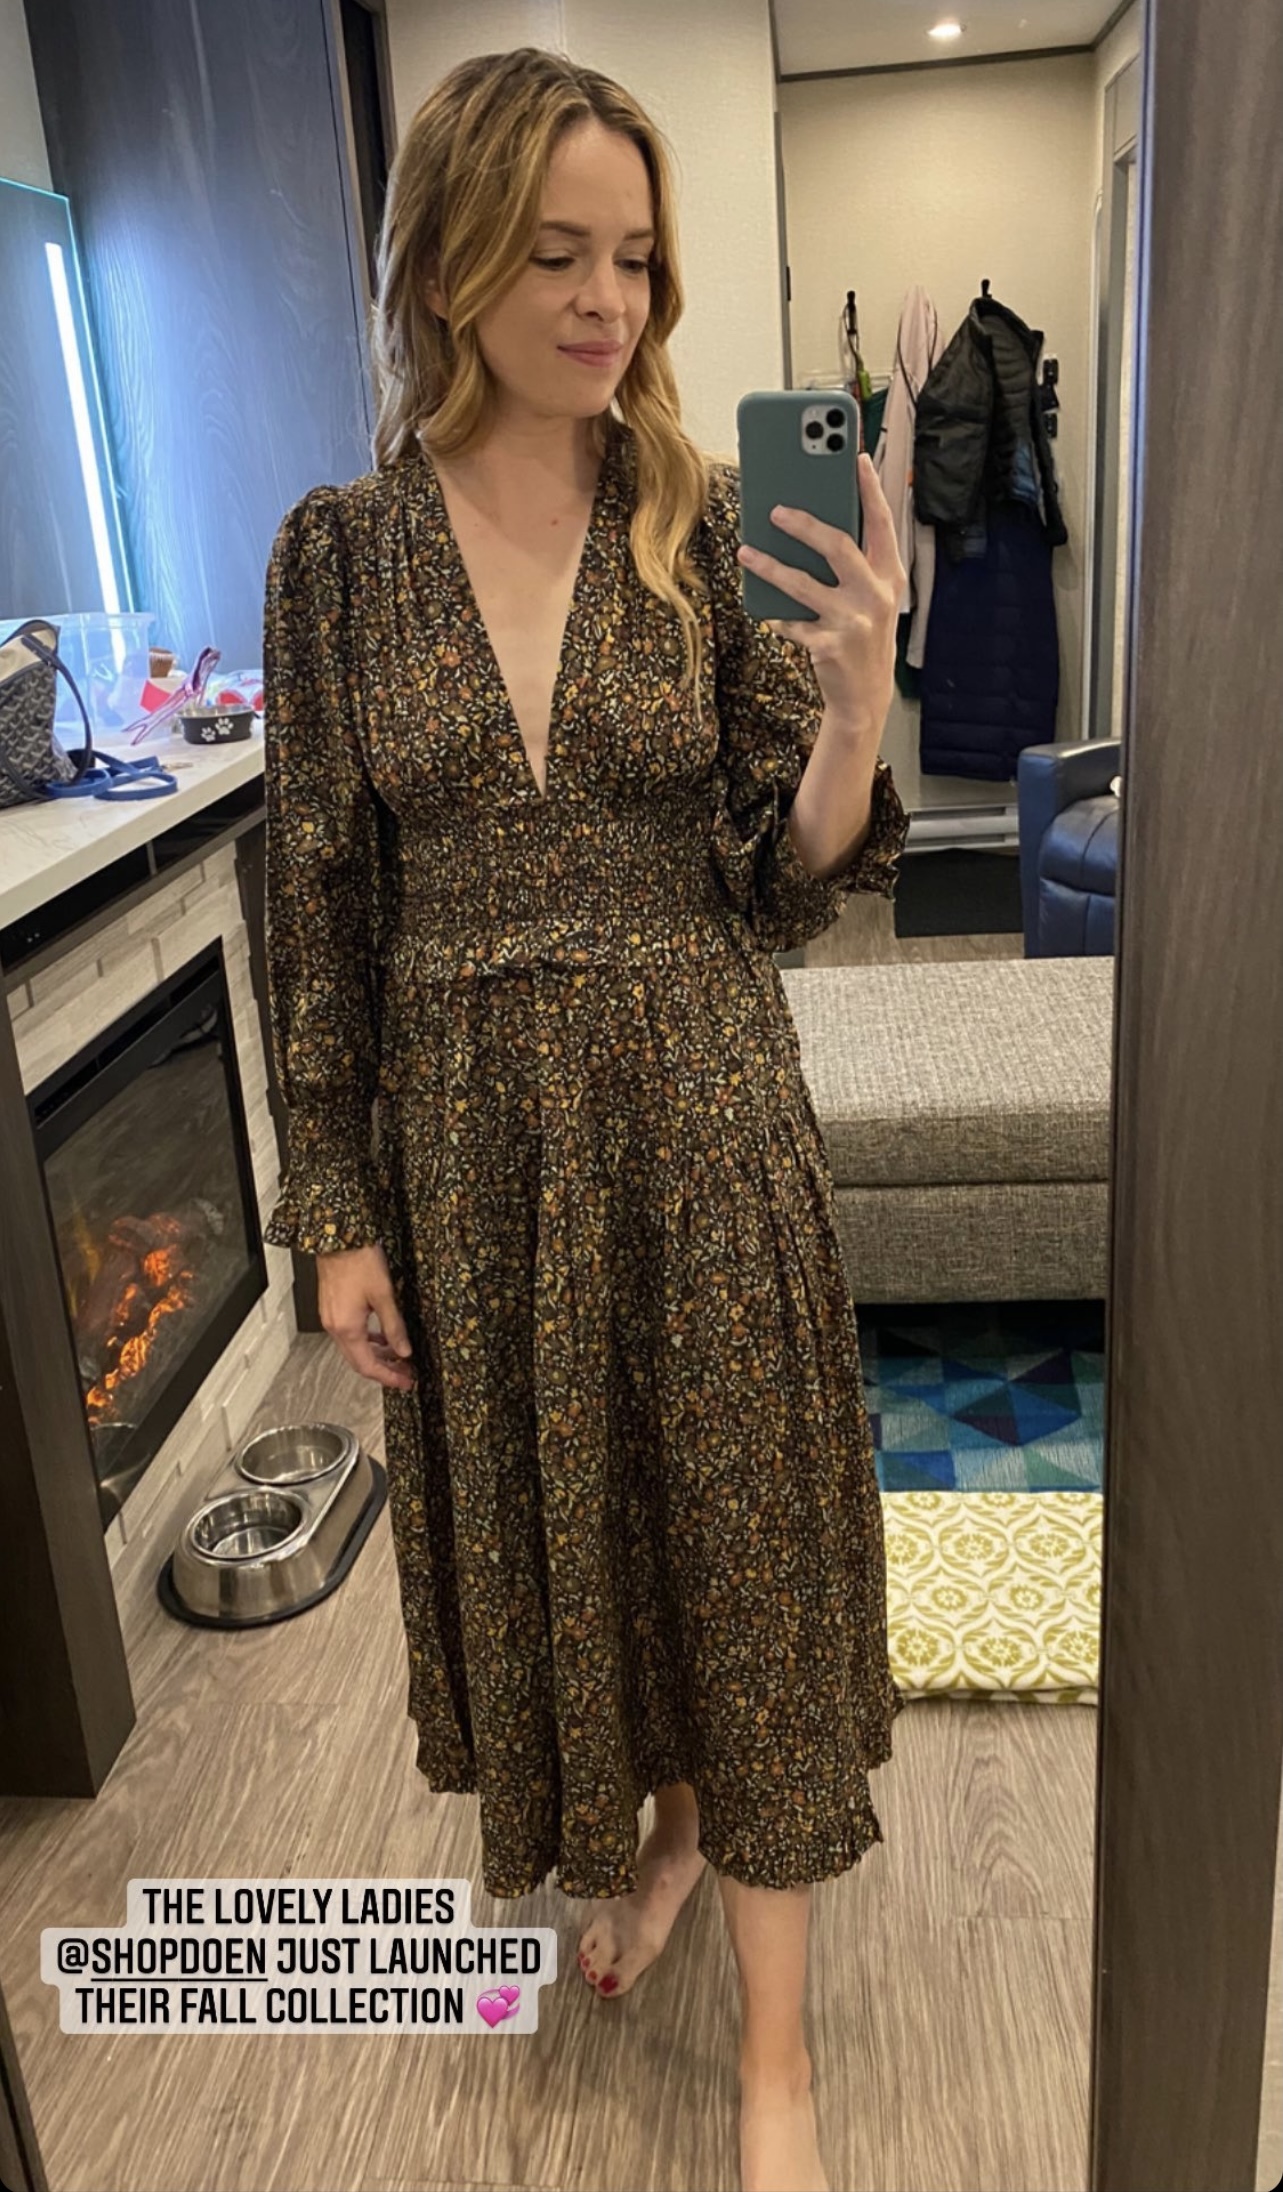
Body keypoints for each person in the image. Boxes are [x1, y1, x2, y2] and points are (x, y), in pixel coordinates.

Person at [261, 45, 909, 2192]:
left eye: (633, 256)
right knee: (596, 1533)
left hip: (701, 1103)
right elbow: (317, 904)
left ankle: (779, 2056)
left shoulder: (701, 522)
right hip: (468, 1151)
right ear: (449, 261)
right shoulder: (338, 558)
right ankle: (667, 1837)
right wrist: (334, 1209)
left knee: (746, 1546)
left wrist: (854, 719)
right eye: (555, 252)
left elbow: (781, 876)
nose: (607, 299)